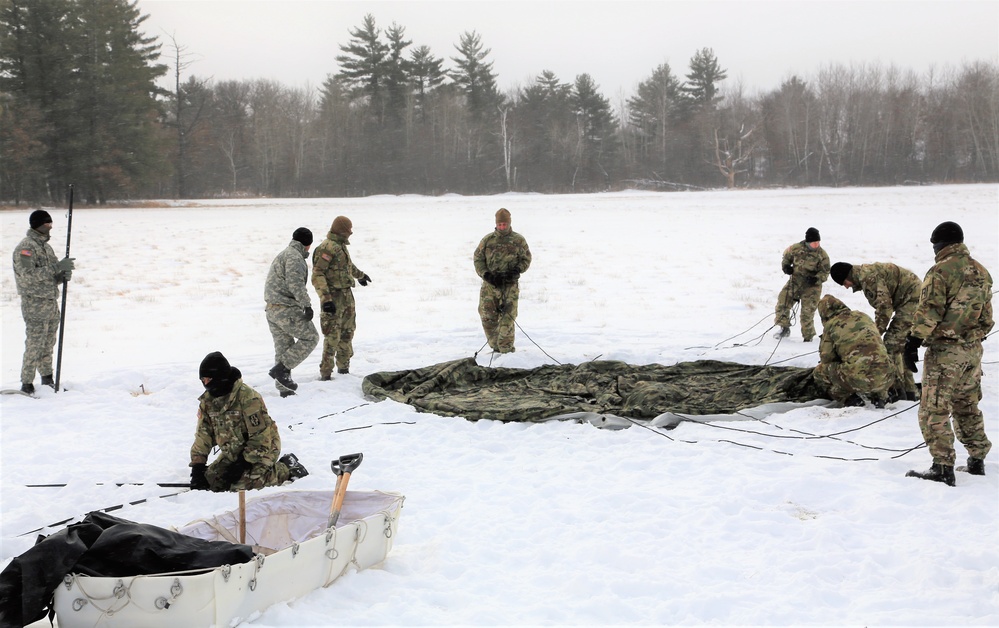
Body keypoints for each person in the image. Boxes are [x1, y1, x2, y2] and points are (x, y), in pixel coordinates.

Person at [904, 221, 993, 487]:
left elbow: (929, 310)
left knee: (933, 409)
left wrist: (912, 341)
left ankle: (942, 467)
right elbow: (987, 318)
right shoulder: (982, 271)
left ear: (940, 244)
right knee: (967, 405)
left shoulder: (940, 271)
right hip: (973, 351)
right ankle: (977, 460)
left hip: (946, 353)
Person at [189, 351, 308, 492]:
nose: (205, 384)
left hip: (264, 448)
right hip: (233, 451)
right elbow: (203, 436)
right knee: (213, 482)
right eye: (203, 380)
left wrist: (241, 464)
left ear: (220, 377)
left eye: (208, 379)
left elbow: (260, 438)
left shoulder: (248, 398)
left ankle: (286, 468)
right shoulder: (208, 402)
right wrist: (198, 468)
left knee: (241, 486)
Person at [830, 261, 921, 401]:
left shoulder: (868, 277)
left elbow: (884, 308)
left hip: (912, 300)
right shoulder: (864, 275)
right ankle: (908, 391)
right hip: (908, 299)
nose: (847, 287)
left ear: (847, 276)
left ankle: (895, 390)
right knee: (899, 346)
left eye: (844, 283)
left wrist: (875, 333)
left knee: (891, 344)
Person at [11, 210, 75, 395]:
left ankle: (47, 379)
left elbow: (50, 277)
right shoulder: (26, 248)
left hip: (50, 302)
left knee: (48, 343)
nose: (50, 227)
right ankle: (27, 383)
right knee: (35, 344)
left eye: (51, 224)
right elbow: (28, 276)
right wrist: (56, 267)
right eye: (46, 224)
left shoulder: (46, 248)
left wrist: (62, 275)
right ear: (37, 225)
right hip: (34, 304)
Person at [311, 216, 371, 379]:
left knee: (347, 332)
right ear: (342, 230)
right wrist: (326, 299)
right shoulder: (327, 248)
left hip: (346, 297)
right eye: (348, 229)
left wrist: (361, 275)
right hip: (334, 298)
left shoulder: (341, 246)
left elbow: (347, 267)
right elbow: (317, 274)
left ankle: (344, 369)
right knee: (332, 336)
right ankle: (326, 373)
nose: (351, 233)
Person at [264, 227, 320, 397]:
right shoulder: (295, 258)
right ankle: (282, 370)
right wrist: (307, 305)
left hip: (272, 309)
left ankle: (285, 390)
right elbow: (295, 283)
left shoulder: (285, 253)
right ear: (308, 245)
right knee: (311, 337)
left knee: (283, 347)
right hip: (285, 309)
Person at [812, 294, 892, 408]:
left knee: (819, 372)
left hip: (857, 377)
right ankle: (880, 397)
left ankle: (848, 398)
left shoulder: (831, 324)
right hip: (887, 376)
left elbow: (826, 357)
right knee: (877, 360)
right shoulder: (863, 316)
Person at [473, 208, 532, 353]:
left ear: (509, 223)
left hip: (509, 286)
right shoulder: (487, 240)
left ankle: (506, 351)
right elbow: (478, 259)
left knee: (507, 318)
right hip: (490, 286)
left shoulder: (518, 240)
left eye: (504, 224)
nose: (502, 227)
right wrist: (486, 275)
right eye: (500, 225)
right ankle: (495, 347)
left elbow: (526, 259)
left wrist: (516, 271)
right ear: (496, 224)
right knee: (488, 317)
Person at [774, 227, 829, 342]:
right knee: (783, 301)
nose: (817, 245)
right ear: (808, 242)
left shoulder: (822, 255)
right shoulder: (796, 248)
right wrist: (786, 267)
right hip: (795, 282)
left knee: (807, 313)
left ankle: (808, 338)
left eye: (818, 242)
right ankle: (784, 328)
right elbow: (786, 258)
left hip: (812, 286)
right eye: (814, 243)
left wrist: (816, 279)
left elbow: (825, 272)